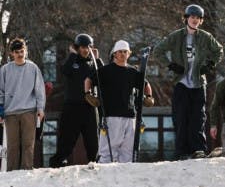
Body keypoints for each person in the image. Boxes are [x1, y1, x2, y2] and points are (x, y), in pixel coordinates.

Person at [153, 4, 223, 159]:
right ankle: (181, 151)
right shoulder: (176, 36)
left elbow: (219, 51)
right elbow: (158, 51)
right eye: (192, 17)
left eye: (198, 18)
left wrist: (210, 64)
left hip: (198, 83)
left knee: (198, 117)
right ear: (186, 18)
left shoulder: (206, 37)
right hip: (182, 83)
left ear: (201, 21)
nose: (195, 20)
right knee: (181, 117)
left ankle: (198, 150)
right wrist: (170, 65)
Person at [87, 40, 152, 164]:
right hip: (111, 115)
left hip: (130, 115)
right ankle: (104, 174)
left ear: (129, 54)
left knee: (128, 151)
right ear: (114, 54)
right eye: (120, 52)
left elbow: (145, 84)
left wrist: (149, 96)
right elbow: (89, 80)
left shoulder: (133, 72)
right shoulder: (105, 70)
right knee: (108, 150)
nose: (122, 54)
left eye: (125, 52)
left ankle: (124, 176)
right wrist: (88, 94)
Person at [50, 33, 103, 167]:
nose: (85, 50)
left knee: (92, 138)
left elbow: (103, 78)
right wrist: (72, 55)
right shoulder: (72, 62)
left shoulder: (93, 63)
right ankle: (59, 160)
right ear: (77, 48)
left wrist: (97, 59)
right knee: (67, 137)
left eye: (88, 47)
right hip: (72, 105)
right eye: (83, 47)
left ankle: (94, 161)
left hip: (89, 106)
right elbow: (65, 71)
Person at [0, 38, 46, 171]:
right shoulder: (5, 70)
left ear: (25, 51)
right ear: (12, 54)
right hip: (10, 112)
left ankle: (26, 171)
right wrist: (0, 110)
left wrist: (40, 108)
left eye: (22, 51)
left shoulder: (33, 68)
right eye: (17, 52)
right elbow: (0, 91)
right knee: (13, 145)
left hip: (29, 111)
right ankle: (12, 173)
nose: (20, 54)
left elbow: (39, 90)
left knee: (28, 144)